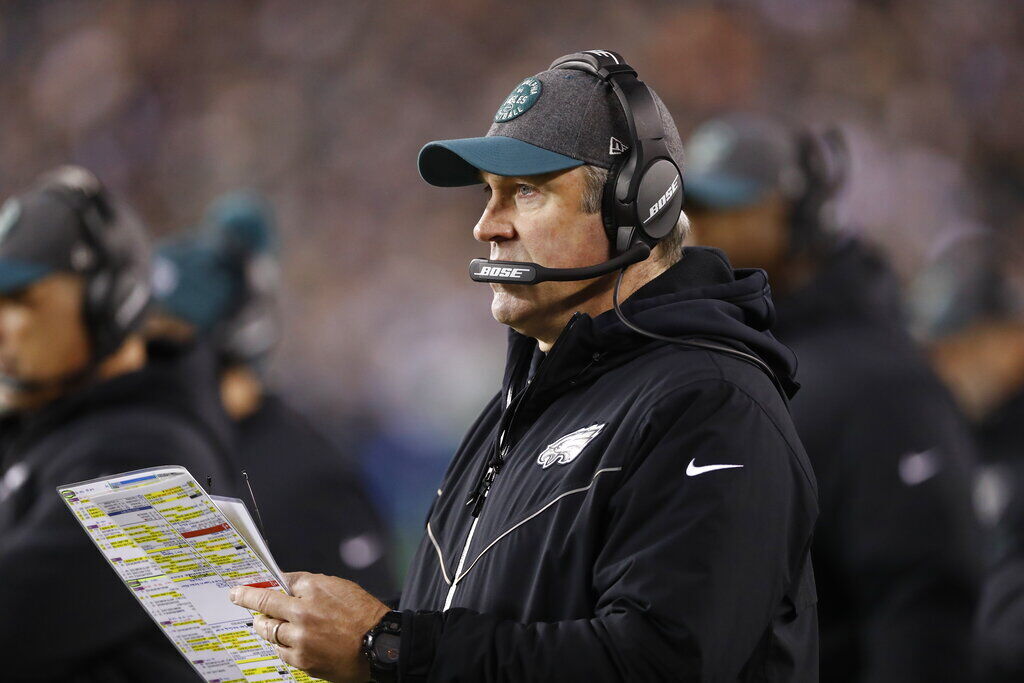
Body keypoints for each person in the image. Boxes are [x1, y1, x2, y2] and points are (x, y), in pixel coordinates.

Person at [231, 50, 819, 682]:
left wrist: (386, 647)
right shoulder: (526, 397)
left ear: (636, 208)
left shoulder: (712, 403)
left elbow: (656, 662)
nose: (487, 226)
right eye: (489, 195)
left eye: (526, 192)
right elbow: (479, 625)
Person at [683, 113, 982, 683]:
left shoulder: (878, 379)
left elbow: (925, 595)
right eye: (693, 208)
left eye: (728, 207)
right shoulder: (727, 357)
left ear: (794, 211)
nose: (699, 228)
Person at [0, 166, 236, 682]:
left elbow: (13, 622)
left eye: (20, 301)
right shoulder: (39, 435)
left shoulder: (156, 460)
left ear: (108, 299)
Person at [150, 191, 395, 597]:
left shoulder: (310, 475)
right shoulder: (159, 448)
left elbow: (373, 631)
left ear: (228, 341)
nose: (142, 360)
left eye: (166, 342)